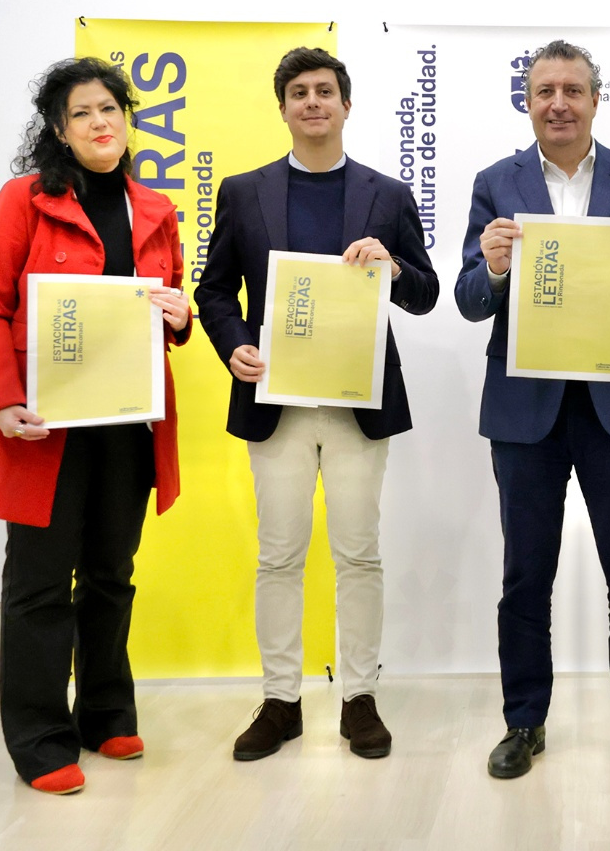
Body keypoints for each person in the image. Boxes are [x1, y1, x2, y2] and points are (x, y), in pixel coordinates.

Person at [454, 40, 610, 782]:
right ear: (528, 99)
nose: (559, 101)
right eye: (545, 89)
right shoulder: (497, 182)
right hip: (525, 412)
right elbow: (467, 301)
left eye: (573, 89)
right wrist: (491, 266)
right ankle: (524, 722)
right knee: (526, 575)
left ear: (596, 98)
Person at [196, 47, 438, 763]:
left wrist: (392, 267)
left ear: (346, 105)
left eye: (325, 91)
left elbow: (423, 293)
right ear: (282, 108)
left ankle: (358, 697)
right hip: (275, 400)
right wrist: (233, 344)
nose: (312, 103)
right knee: (279, 555)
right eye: (298, 92)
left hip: (359, 400)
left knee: (358, 552)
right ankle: (280, 700)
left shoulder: (387, 195)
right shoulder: (244, 193)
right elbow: (212, 290)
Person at [0, 57, 192, 795]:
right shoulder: (22, 200)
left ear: (128, 121)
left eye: (112, 110)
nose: (102, 123)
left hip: (126, 424)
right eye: (84, 113)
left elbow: (172, 299)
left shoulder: (154, 209)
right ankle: (38, 736)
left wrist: (181, 316)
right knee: (37, 584)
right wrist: (0, 399)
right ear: (59, 131)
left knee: (110, 574)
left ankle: (105, 711)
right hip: (42, 427)